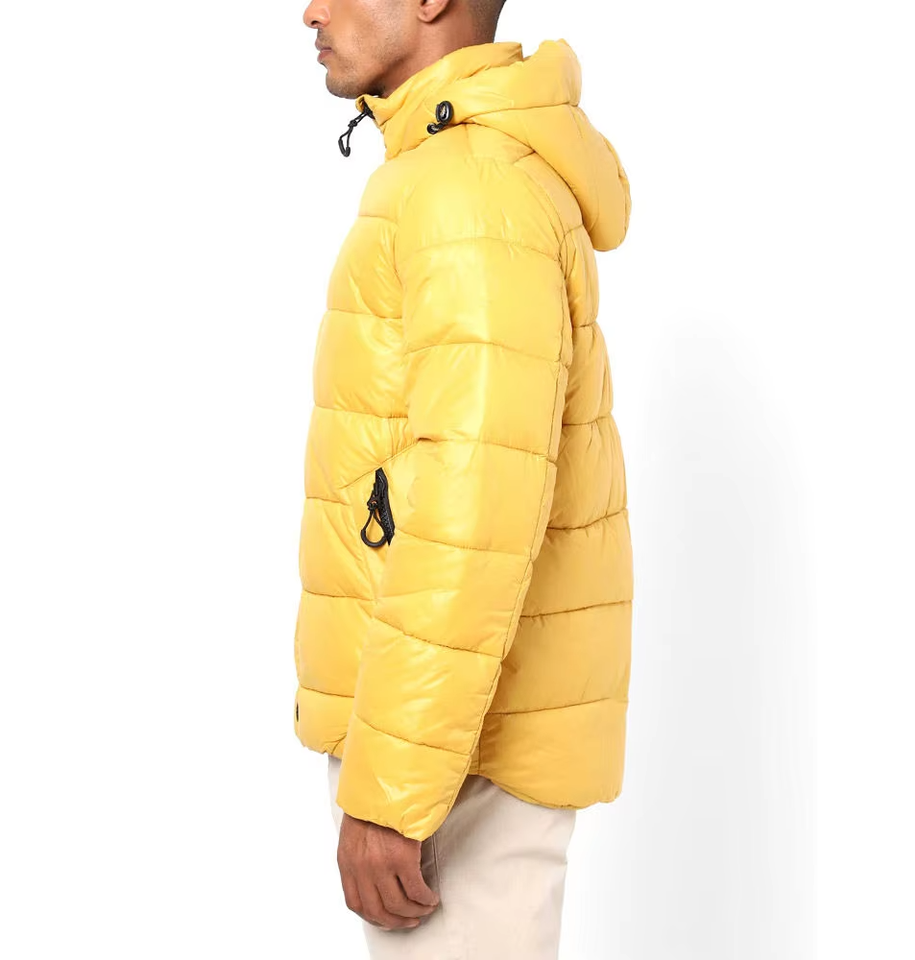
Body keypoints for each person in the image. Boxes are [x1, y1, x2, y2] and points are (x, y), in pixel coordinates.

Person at [294, 0, 633, 956]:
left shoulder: (467, 193)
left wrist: (392, 791)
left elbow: (475, 507)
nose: (311, 10)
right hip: (449, 736)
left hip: (456, 758)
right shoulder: (449, 177)